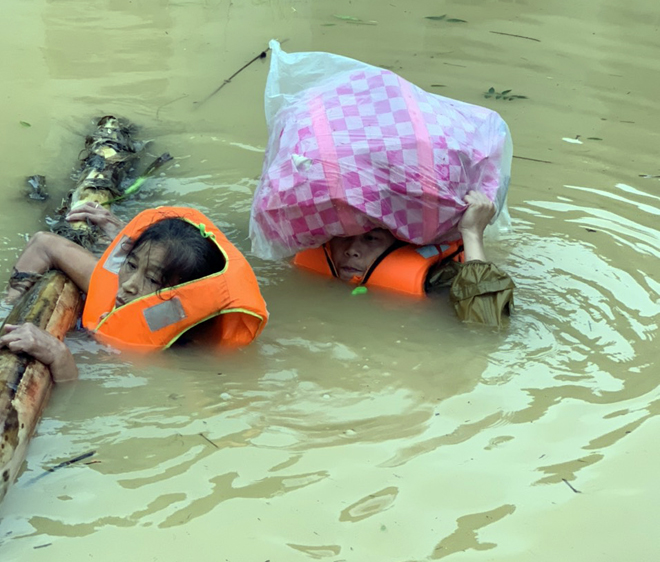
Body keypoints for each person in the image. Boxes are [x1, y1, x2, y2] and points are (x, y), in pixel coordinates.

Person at [1, 204, 269, 381]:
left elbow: (85, 400)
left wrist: (59, 356)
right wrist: (9, 308)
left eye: (152, 279)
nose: (128, 284)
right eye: (130, 263)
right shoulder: (114, 286)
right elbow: (42, 243)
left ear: (182, 297)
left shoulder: (170, 357)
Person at [293, 190, 514, 326]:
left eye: (371, 239)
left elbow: (486, 328)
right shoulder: (310, 254)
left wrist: (472, 234)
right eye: (344, 236)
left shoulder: (438, 279)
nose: (352, 250)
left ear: (403, 246)